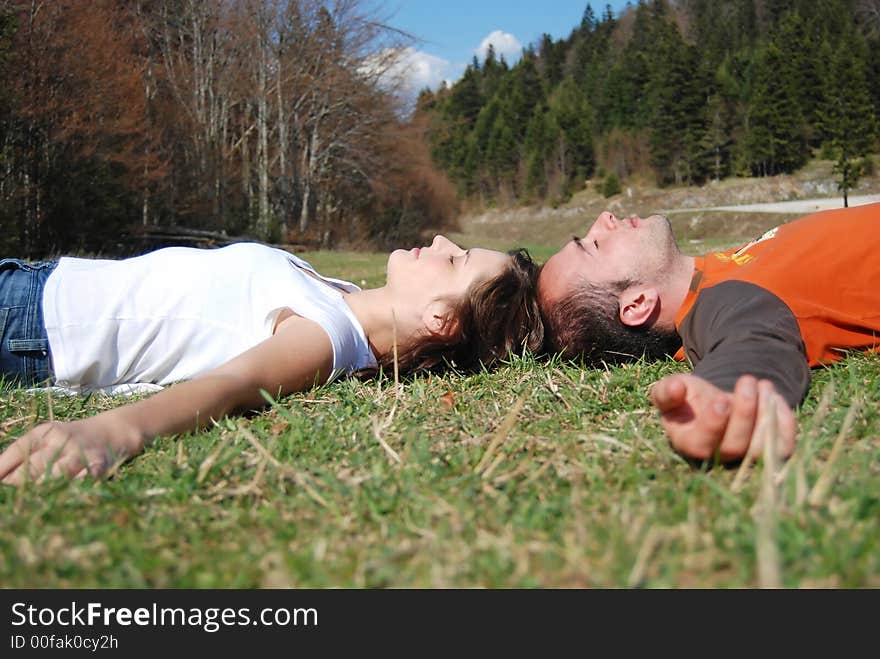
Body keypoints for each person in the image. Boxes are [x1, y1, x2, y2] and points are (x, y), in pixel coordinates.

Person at [0, 236, 544, 485]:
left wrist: (112, 432)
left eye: (458, 259)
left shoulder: (328, 335)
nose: (443, 239)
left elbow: (235, 383)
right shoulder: (342, 296)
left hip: (34, 325)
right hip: (37, 283)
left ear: (440, 321)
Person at [537, 203, 880, 463]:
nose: (605, 217)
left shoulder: (713, 272)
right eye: (594, 245)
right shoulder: (718, 302)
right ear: (637, 303)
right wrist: (725, 395)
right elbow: (749, 339)